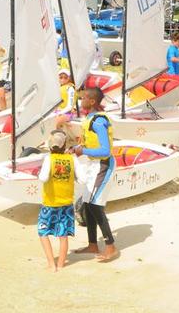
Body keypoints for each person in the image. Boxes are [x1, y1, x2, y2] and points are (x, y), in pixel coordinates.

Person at [72, 87, 119, 263]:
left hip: (103, 165)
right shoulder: (89, 119)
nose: (81, 100)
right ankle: (92, 244)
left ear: (92, 102)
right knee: (87, 204)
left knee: (95, 206)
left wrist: (82, 150)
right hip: (93, 164)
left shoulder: (98, 122)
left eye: (83, 98)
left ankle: (111, 246)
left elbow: (105, 150)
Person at [37, 130, 76, 272]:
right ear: (64, 145)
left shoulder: (49, 159)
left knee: (43, 232)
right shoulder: (72, 159)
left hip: (50, 204)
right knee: (63, 235)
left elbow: (43, 178)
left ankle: (51, 265)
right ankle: (60, 264)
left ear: (50, 146)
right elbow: (82, 179)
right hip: (67, 203)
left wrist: (38, 173)